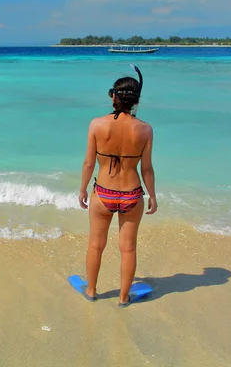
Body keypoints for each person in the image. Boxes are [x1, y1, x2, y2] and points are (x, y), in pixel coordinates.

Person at [77, 67, 157, 307]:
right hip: (132, 195)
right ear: (136, 100)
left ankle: (91, 291)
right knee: (128, 249)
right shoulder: (145, 129)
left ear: (114, 97)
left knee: (95, 244)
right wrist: (152, 195)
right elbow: (147, 169)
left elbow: (89, 162)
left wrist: (82, 190)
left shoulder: (97, 125)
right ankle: (123, 298)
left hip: (103, 193)